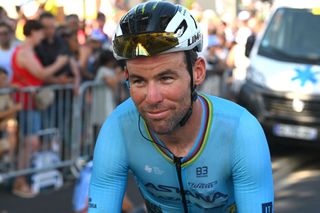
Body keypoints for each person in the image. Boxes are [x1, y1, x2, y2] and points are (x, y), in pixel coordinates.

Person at [89, 1, 274, 213]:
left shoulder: (241, 131)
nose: (152, 97)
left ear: (197, 72)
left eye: (166, 78)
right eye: (139, 81)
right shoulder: (118, 128)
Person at [11, 19, 68, 198]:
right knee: (30, 142)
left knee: (30, 142)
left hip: (29, 101)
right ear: (33, 32)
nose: (43, 35)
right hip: (26, 101)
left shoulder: (26, 50)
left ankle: (21, 178)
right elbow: (41, 74)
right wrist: (60, 62)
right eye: (41, 32)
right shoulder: (24, 51)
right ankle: (19, 181)